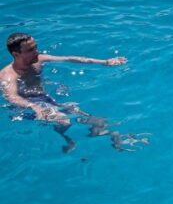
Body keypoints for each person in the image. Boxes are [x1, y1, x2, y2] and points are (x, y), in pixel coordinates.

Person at [0, 32, 130, 152]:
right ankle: (67, 140)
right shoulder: (8, 75)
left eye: (35, 47)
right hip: (25, 107)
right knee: (64, 121)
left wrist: (105, 62)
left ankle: (106, 135)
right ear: (16, 54)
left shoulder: (39, 59)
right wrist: (35, 107)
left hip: (44, 98)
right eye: (30, 50)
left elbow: (71, 59)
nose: (36, 52)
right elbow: (11, 97)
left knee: (94, 119)